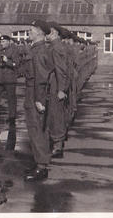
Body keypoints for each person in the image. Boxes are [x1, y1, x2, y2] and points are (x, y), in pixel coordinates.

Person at [21, 20, 53, 181]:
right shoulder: (36, 49)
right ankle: (39, 162)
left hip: (35, 94)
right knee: (35, 130)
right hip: (31, 92)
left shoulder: (40, 51)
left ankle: (42, 167)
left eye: (31, 30)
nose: (29, 32)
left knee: (37, 130)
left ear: (40, 32)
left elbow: (41, 77)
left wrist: (39, 100)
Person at [46, 21, 71, 158]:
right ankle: (56, 142)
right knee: (54, 114)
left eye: (47, 31)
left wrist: (62, 89)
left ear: (54, 32)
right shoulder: (54, 46)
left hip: (56, 84)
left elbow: (61, 70)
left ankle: (57, 146)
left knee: (56, 115)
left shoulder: (57, 47)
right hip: (54, 83)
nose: (45, 34)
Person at [0, 35, 19, 124]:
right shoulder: (0, 51)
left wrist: (7, 61)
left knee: (11, 98)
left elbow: (16, 64)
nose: (1, 43)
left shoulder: (14, 50)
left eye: (3, 42)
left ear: (8, 42)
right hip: (0, 78)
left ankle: (12, 117)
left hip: (10, 79)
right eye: (1, 42)